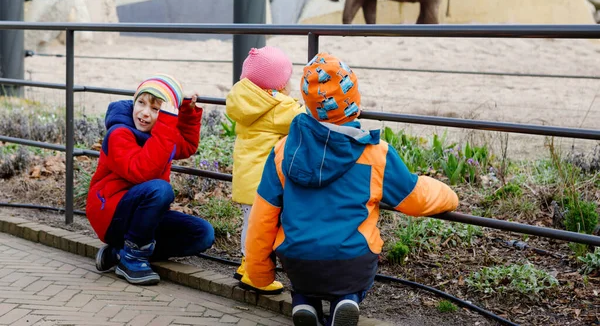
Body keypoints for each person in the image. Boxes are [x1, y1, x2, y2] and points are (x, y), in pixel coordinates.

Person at [244, 53, 459, 326]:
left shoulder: (284, 151)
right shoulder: (375, 153)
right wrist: (449, 195)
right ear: (353, 100)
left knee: (305, 275)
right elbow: (414, 197)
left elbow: (262, 218)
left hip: (298, 261)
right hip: (351, 261)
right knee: (355, 263)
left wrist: (259, 273)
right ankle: (348, 300)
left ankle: (303, 302)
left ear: (307, 105)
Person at [86, 74, 215, 285]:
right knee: (160, 190)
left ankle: (121, 253)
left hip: (144, 216)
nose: (145, 113)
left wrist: (186, 111)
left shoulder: (160, 133)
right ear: (133, 101)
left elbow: (188, 145)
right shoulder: (119, 133)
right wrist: (165, 123)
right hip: (109, 213)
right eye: (141, 103)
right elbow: (141, 172)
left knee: (203, 234)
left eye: (155, 109)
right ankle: (132, 259)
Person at [225, 46, 307, 294]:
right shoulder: (278, 107)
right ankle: (253, 274)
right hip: (265, 183)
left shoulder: (246, 101)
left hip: (246, 179)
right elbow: (304, 119)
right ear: (280, 84)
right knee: (263, 231)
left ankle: (245, 263)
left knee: (250, 226)